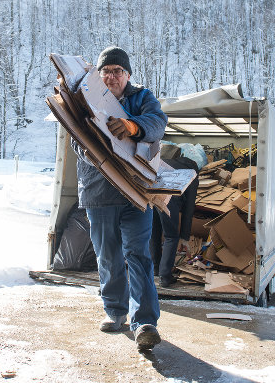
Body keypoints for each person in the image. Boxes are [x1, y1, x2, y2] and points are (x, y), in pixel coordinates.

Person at [72, 46, 167, 350]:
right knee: (109, 257)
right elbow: (75, 136)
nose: (112, 76)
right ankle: (115, 312)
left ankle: (145, 323)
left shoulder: (141, 97)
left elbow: (157, 123)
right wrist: (93, 153)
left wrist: (133, 126)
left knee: (138, 255)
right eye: (106, 71)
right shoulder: (85, 97)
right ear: (99, 75)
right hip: (98, 191)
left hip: (135, 191)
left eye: (118, 71)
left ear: (127, 75)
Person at [150, 153, 200, 287]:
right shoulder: (192, 174)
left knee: (153, 233)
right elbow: (189, 208)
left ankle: (155, 268)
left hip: (151, 193)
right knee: (171, 236)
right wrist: (184, 237)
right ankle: (165, 277)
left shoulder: (169, 162)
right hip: (168, 198)